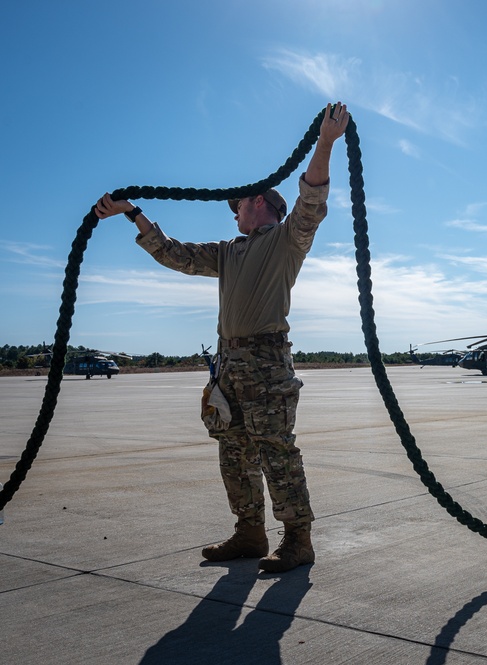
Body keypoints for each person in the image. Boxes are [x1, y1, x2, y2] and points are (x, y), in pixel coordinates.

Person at [95, 102, 351, 573]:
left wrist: (326, 142)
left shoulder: (286, 239)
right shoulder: (228, 252)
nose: (233, 215)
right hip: (230, 366)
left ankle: (298, 539)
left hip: (267, 362)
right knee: (233, 453)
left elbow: (311, 201)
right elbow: (174, 254)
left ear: (257, 204)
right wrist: (133, 214)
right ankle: (250, 533)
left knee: (276, 450)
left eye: (237, 207)